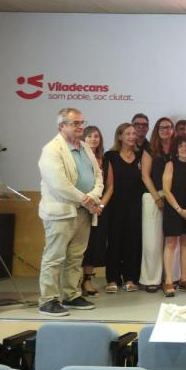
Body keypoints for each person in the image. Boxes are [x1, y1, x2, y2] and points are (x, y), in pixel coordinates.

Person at [37, 108, 103, 316]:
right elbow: (59, 184)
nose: (81, 127)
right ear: (61, 126)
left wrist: (93, 198)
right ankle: (48, 300)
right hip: (62, 212)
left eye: (82, 122)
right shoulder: (51, 149)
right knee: (54, 257)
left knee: (76, 257)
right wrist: (87, 200)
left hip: (83, 212)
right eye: (75, 123)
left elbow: (98, 176)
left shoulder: (85, 147)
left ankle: (71, 295)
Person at [101, 122, 144, 294]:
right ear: (120, 136)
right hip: (115, 205)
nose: (132, 136)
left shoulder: (141, 156)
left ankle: (130, 278)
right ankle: (112, 279)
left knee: (133, 242)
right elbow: (109, 184)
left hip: (135, 205)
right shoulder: (110, 156)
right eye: (128, 133)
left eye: (134, 133)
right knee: (114, 242)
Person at [161, 135, 186, 297]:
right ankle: (169, 281)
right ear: (176, 149)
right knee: (171, 243)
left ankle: (184, 279)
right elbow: (166, 190)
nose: (184, 149)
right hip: (174, 209)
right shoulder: (170, 164)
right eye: (181, 146)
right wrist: (179, 209)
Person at [140, 117, 174, 292]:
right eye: (162, 128)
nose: (165, 130)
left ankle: (169, 278)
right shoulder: (150, 148)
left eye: (168, 127)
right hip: (153, 196)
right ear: (156, 130)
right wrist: (157, 198)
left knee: (171, 240)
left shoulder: (177, 148)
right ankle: (151, 279)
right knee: (152, 241)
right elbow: (145, 175)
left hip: (173, 197)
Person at [80, 125, 106, 296]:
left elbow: (109, 185)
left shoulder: (105, 159)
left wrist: (100, 205)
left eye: (96, 136)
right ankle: (74, 281)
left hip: (98, 210)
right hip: (81, 206)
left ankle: (87, 280)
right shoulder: (78, 158)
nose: (93, 139)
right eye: (89, 136)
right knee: (78, 246)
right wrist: (88, 203)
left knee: (93, 246)